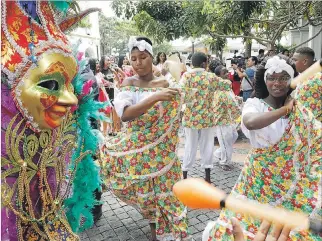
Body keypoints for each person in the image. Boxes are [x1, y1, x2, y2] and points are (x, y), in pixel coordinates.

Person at [203, 55, 322, 240]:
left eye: (283, 77)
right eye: (272, 78)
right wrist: (284, 110)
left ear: (291, 79)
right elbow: (250, 122)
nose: (277, 83)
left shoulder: (300, 109)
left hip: (288, 182)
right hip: (257, 182)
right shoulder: (255, 104)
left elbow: (316, 136)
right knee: (244, 223)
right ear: (264, 79)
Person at [102, 36, 190, 241]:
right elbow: (126, 115)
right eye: (133, 58)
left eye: (142, 57)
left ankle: (164, 235)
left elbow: (178, 110)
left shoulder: (167, 82)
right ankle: (155, 234)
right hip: (137, 151)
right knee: (149, 198)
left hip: (162, 153)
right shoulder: (128, 83)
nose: (138, 63)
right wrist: (156, 97)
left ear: (152, 57)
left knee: (166, 196)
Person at [180, 52, 218, 183]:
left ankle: (185, 174)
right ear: (204, 63)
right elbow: (222, 87)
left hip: (191, 117)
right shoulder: (211, 77)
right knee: (207, 145)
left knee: (190, 145)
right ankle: (207, 177)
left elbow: (182, 96)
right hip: (207, 117)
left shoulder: (187, 76)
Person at [210, 65, 242, 171]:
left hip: (228, 119)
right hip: (222, 120)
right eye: (224, 73)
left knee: (233, 136)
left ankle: (218, 153)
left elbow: (231, 99)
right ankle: (224, 162)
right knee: (225, 141)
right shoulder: (221, 88)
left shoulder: (226, 86)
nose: (227, 74)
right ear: (218, 75)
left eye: (227, 72)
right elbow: (229, 103)